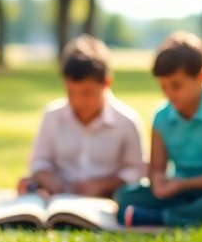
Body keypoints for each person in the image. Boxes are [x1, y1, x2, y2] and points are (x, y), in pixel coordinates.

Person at [116, 32, 202, 228]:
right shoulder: (161, 117)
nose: (168, 93)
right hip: (181, 190)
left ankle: (161, 218)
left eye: (176, 85)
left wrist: (182, 184)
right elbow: (157, 169)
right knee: (124, 196)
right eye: (163, 86)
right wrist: (158, 183)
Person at [18, 35, 147, 198]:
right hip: (57, 197)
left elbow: (137, 170)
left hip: (105, 200)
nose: (78, 101)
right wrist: (45, 176)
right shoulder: (52, 116)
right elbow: (39, 161)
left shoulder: (127, 121)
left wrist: (104, 185)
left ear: (106, 83)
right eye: (71, 92)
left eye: (87, 93)